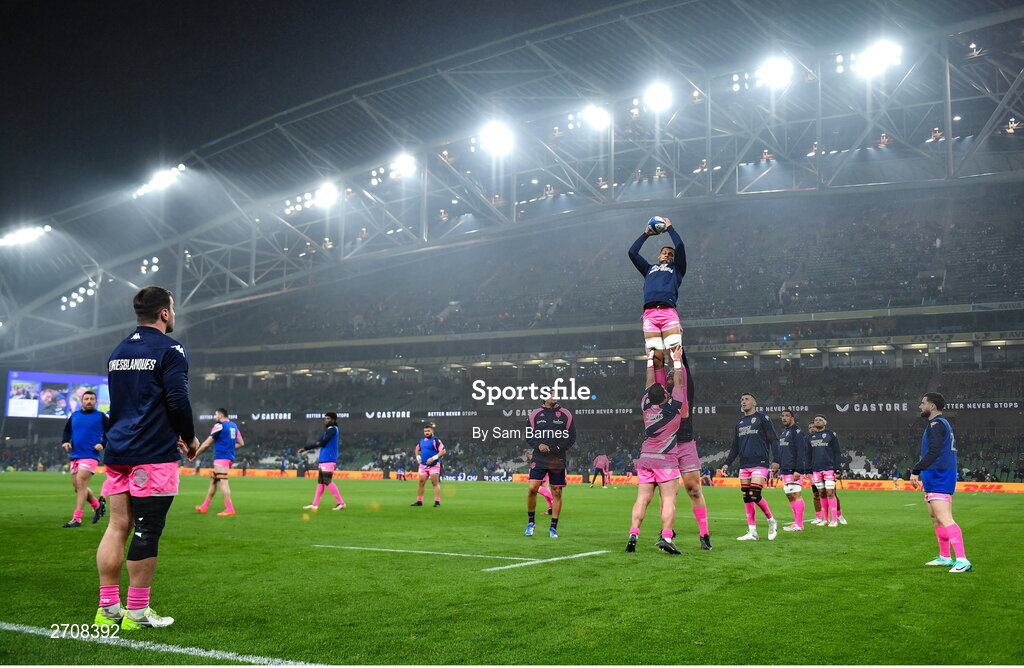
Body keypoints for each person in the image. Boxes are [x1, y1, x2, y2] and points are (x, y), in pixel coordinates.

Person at [95, 286, 199, 630]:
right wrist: (188, 436)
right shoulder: (171, 348)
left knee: (116, 526)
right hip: (152, 453)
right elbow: (178, 399)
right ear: (164, 313)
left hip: (118, 449)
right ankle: (137, 612)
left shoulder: (118, 351)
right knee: (147, 529)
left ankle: (108, 609)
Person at [627, 216, 692, 411]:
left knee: (676, 356)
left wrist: (670, 228)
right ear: (659, 256)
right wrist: (646, 234)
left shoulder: (677, 269)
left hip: (668, 313)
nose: (667, 255)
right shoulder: (648, 269)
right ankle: (661, 400)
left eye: (670, 255)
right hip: (649, 315)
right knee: (656, 358)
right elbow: (632, 252)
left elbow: (679, 245)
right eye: (664, 253)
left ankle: (683, 403)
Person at [626, 348, 687, 555]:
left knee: (642, 499)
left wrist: (650, 358)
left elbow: (649, 382)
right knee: (669, 500)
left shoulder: (645, 405)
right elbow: (679, 383)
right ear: (665, 395)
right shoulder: (673, 407)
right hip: (666, 461)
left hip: (645, 460)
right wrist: (677, 361)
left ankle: (633, 534)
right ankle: (667, 537)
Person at [910, 393, 971, 573]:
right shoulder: (938, 424)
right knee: (936, 517)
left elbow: (935, 451)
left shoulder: (936, 424)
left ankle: (962, 559)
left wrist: (916, 470)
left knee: (945, 518)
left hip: (940, 475)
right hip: (936, 475)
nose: (920, 407)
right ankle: (945, 556)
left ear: (933, 406)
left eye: (923, 403)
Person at [720, 393, 779, 541]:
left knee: (755, 495)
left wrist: (777, 460)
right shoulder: (739, 423)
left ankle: (771, 520)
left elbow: (773, 439)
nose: (743, 401)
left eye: (746, 399)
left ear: (754, 402)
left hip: (760, 463)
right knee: (747, 497)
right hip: (744, 465)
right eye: (741, 400)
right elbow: (735, 447)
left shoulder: (762, 418)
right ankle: (752, 532)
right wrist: (727, 463)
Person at [666, 368, 711, 550]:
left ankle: (704, 534)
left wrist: (678, 350)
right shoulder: (660, 393)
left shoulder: (686, 392)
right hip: (666, 447)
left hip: (685, 445)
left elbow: (684, 371)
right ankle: (667, 533)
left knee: (694, 490)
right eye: (667, 374)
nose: (669, 376)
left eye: (673, 373)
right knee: (668, 493)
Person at [525, 398, 576, 538]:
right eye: (551, 393)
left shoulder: (566, 414)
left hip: (557, 459)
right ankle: (531, 523)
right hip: (539, 457)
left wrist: (558, 448)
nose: (554, 396)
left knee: (557, 492)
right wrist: (538, 445)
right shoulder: (535, 414)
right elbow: (528, 436)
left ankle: (553, 527)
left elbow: (572, 437)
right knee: (532, 488)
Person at [60, 389, 108, 527]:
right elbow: (67, 431)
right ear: (82, 401)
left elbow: (110, 433)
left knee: (81, 484)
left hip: (90, 455)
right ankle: (97, 505)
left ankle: (77, 518)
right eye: (86, 399)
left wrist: (102, 444)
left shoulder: (101, 416)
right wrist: (65, 441)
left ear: (96, 401)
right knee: (78, 487)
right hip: (75, 455)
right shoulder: (74, 415)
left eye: (92, 399)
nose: (89, 401)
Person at [193, 408, 245, 516]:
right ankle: (204, 506)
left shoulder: (219, 425)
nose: (215, 417)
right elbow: (241, 443)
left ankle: (230, 509)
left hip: (221, 457)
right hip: (229, 457)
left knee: (223, 482)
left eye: (215, 415)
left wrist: (195, 454)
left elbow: (207, 444)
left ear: (220, 415)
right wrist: (229, 447)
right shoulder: (234, 426)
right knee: (213, 481)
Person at [299, 412, 345, 510]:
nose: (326, 420)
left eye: (328, 419)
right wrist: (306, 448)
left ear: (333, 420)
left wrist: (308, 447)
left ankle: (341, 503)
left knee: (327, 481)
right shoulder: (328, 430)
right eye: (326, 418)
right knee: (321, 482)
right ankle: (315, 504)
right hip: (324, 459)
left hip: (329, 458)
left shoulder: (332, 430)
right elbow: (319, 442)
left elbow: (322, 443)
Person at [807, 415, 842, 527]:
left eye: (820, 420)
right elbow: (808, 455)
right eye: (816, 420)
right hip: (816, 469)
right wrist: (808, 469)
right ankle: (825, 519)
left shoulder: (831, 434)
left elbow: (837, 451)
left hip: (829, 468)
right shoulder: (810, 437)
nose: (817, 421)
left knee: (831, 493)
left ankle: (834, 520)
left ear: (825, 423)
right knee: (821, 494)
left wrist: (837, 468)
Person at [777, 410, 807, 532]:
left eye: (787, 416)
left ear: (792, 418)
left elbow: (801, 452)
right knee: (790, 495)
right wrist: (780, 470)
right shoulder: (784, 433)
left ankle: (799, 525)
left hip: (794, 469)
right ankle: (796, 523)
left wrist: (798, 470)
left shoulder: (797, 431)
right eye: (782, 416)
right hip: (785, 469)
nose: (784, 418)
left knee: (796, 495)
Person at [411, 423, 445, 507]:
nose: (427, 432)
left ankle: (437, 502)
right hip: (423, 465)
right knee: (421, 482)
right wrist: (418, 457)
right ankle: (419, 501)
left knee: (435, 483)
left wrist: (433, 458)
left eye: (428, 431)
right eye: (425, 431)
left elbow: (443, 451)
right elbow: (417, 449)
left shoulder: (436, 440)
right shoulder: (421, 441)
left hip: (434, 465)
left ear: (432, 431)